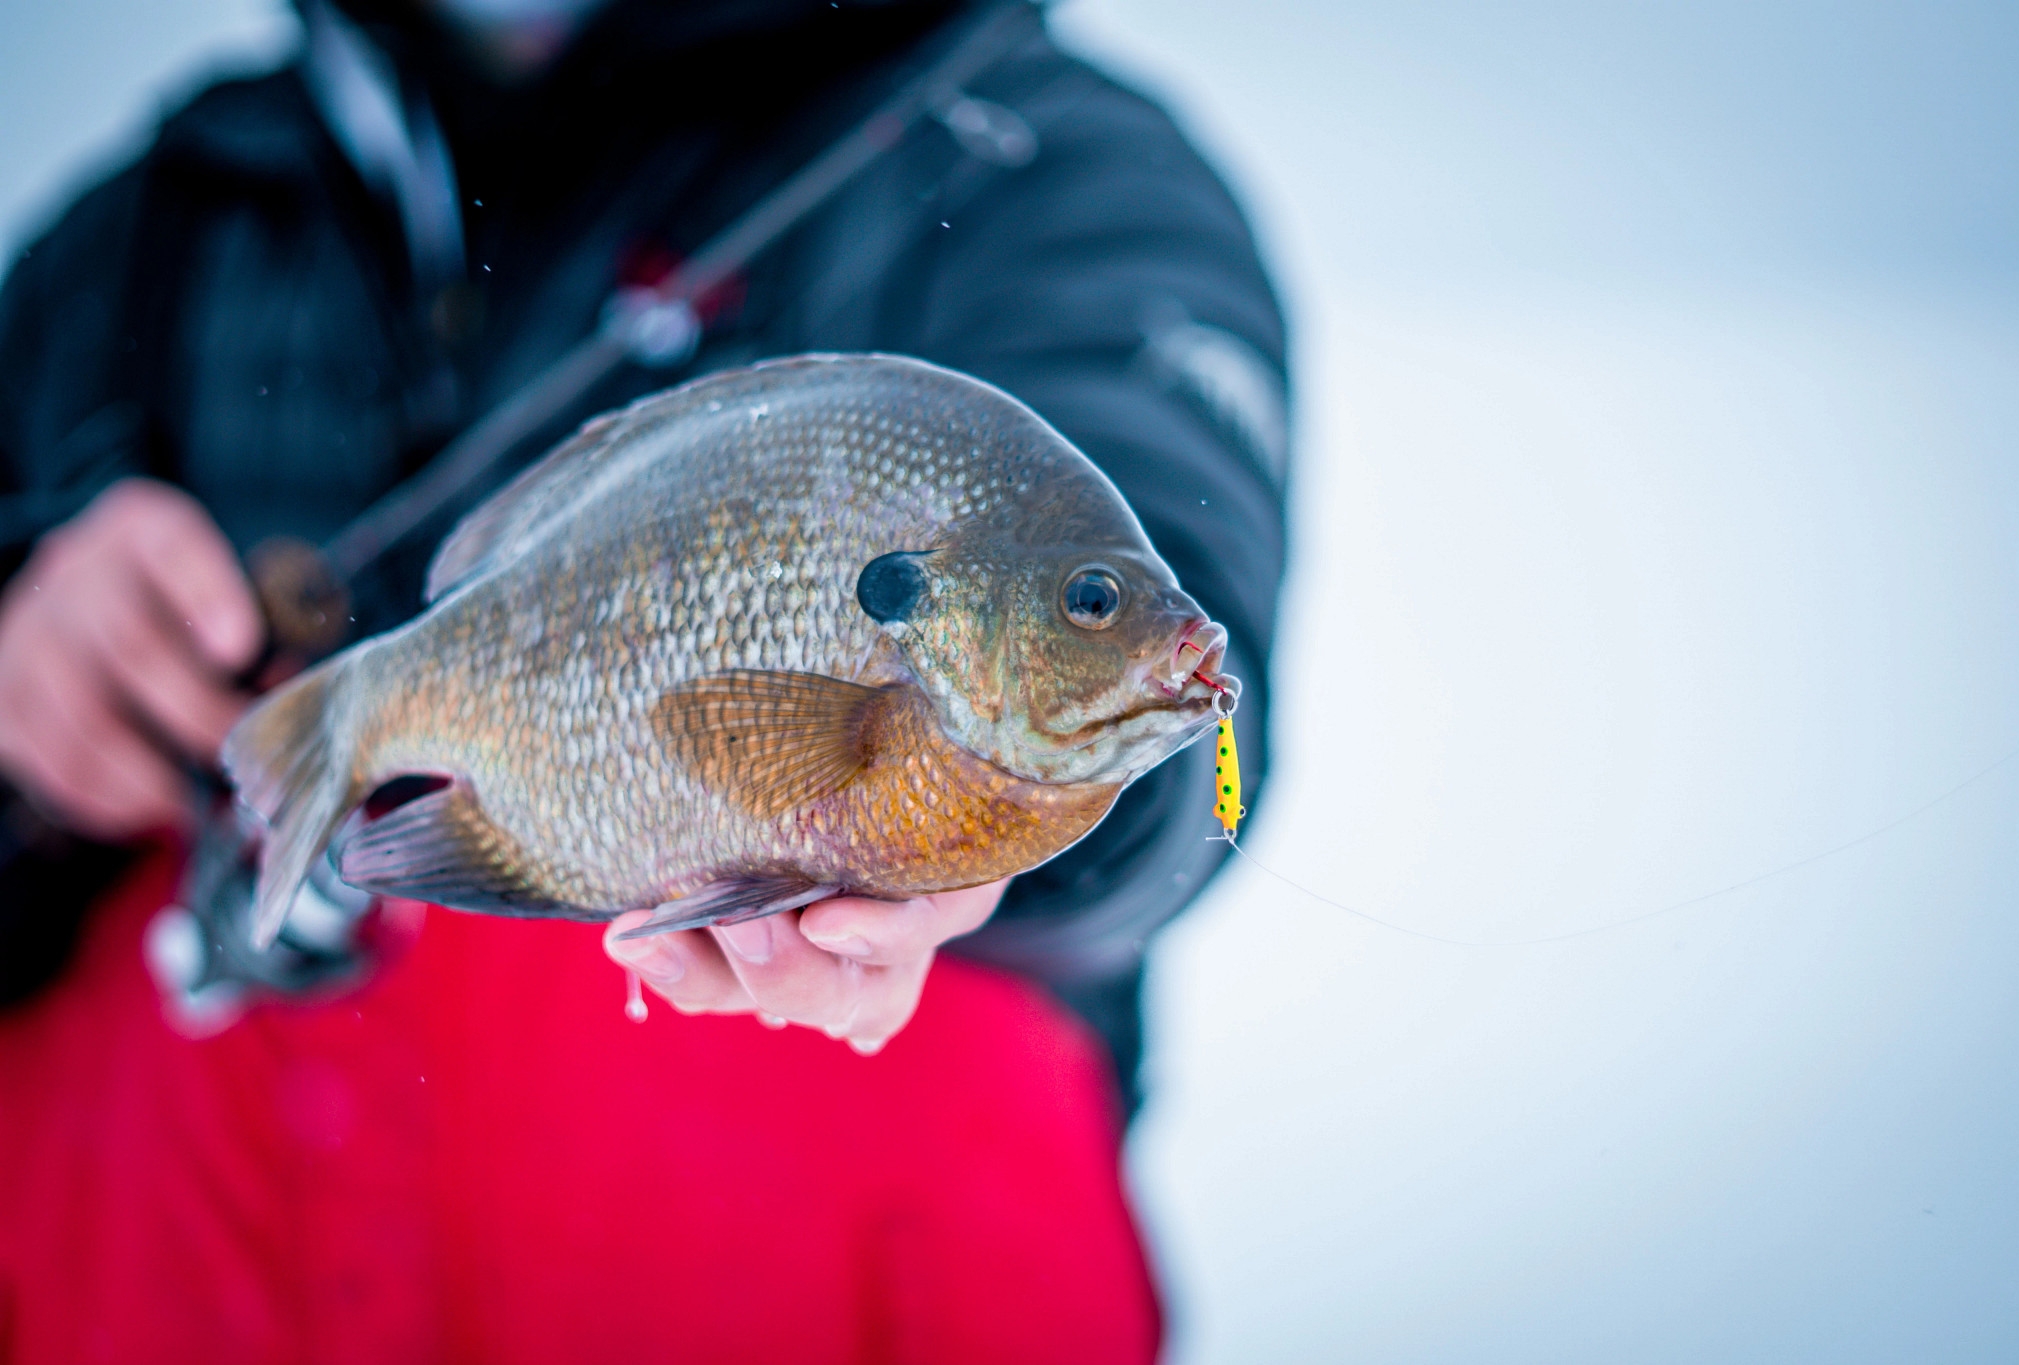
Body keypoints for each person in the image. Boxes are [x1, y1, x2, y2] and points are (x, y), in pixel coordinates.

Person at [0, 0, 1287, 1357]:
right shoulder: (159, 220)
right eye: (1086, 606)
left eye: (1085, 605)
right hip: (192, 1274)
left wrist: (1038, 842)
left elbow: (1213, 748)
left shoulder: (1042, 161)